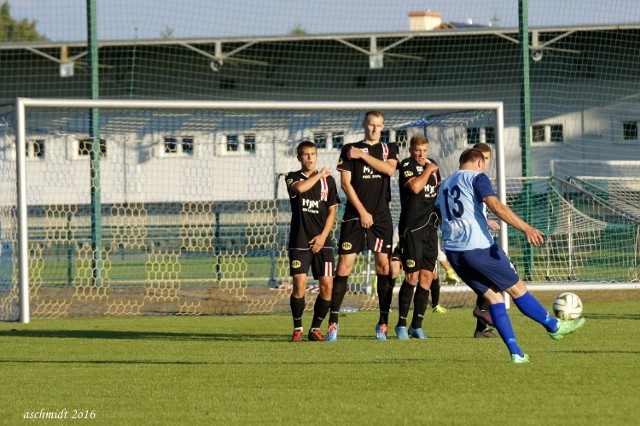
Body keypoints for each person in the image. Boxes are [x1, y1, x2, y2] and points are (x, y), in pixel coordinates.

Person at [436, 148, 585, 363]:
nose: (486, 166)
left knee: (494, 297)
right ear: (478, 163)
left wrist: (477, 220)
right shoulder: (477, 177)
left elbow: (445, 215)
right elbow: (495, 206)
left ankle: (516, 353)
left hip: (455, 252)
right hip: (479, 248)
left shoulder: (446, 184)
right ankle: (555, 326)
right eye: (485, 162)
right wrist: (526, 228)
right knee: (517, 290)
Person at [327, 110, 399, 341]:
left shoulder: (390, 149)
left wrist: (363, 155)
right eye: (371, 124)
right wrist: (362, 211)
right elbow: (345, 184)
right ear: (364, 125)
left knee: (384, 268)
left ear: (383, 126)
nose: (375, 129)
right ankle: (333, 323)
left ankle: (383, 323)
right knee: (343, 267)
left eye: (379, 125)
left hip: (381, 218)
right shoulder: (349, 148)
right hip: (355, 216)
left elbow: (389, 169)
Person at [285, 140, 340, 342]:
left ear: (317, 156)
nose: (310, 158)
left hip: (323, 241)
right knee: (299, 284)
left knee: (327, 286)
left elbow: (333, 211)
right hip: (299, 240)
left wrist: (323, 236)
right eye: (305, 154)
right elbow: (301, 190)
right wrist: (318, 175)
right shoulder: (291, 177)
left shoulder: (329, 182)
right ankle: (297, 328)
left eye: (313, 154)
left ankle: (315, 329)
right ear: (299, 157)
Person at [394, 135, 440, 340]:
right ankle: (401, 325)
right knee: (411, 276)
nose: (421, 154)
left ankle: (417, 325)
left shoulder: (434, 169)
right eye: (417, 150)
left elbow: (436, 195)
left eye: (424, 150)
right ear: (411, 150)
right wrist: (429, 170)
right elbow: (414, 187)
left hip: (430, 229)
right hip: (411, 229)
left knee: (427, 277)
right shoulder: (406, 165)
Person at [470, 142, 501, 338]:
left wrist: (484, 218)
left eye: (487, 157)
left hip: (479, 236)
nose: (484, 161)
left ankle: (481, 327)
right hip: (473, 241)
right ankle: (483, 313)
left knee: (487, 279)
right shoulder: (474, 178)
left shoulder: (480, 178)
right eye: (481, 157)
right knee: (500, 271)